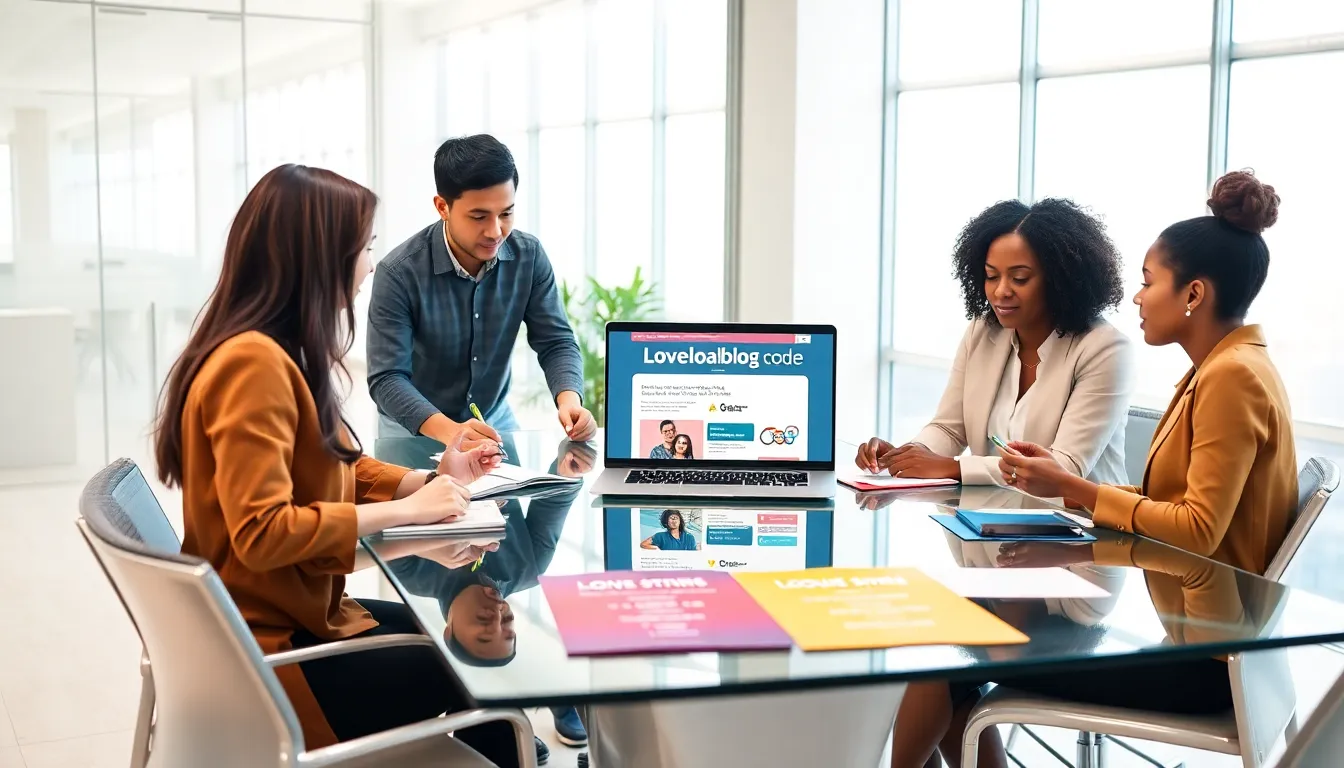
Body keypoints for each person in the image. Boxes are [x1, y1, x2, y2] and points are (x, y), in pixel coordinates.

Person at [894, 171, 1297, 768]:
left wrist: (1076, 489)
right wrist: (1079, 503)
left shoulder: (1230, 377)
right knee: (946, 655)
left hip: (1204, 665)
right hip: (1205, 640)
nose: (1137, 297)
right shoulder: (1223, 368)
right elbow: (1175, 504)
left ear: (1193, 294)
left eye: (1149, 282)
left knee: (940, 657)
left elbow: (1198, 529)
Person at [151, 165, 528, 765]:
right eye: (364, 247)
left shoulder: (269, 350)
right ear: (319, 256)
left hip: (294, 615)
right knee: (478, 679)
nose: (370, 265)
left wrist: (428, 481)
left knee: (444, 647)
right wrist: (409, 512)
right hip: (274, 651)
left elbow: (331, 465)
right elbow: (264, 533)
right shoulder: (253, 365)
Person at [856, 198, 1133, 489]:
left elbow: (1066, 466)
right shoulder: (982, 331)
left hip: (1077, 516)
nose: (1001, 291)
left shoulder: (1106, 349)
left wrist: (952, 467)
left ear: (1059, 280)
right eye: (991, 276)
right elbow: (949, 429)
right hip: (991, 511)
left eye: (1020, 278)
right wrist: (908, 455)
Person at [367, 134, 597, 451]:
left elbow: (555, 341)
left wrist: (569, 400)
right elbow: (387, 378)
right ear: (442, 207)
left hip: (494, 419)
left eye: (506, 213)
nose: (495, 231)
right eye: (479, 217)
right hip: (414, 428)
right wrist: (452, 432)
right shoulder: (398, 273)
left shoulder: (529, 256)